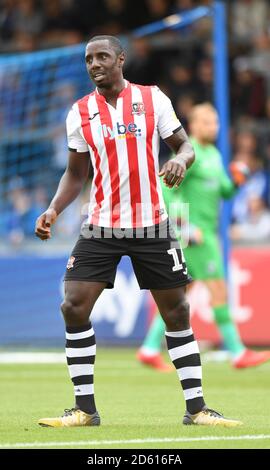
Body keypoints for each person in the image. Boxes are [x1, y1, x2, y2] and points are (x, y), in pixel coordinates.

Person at [35, 36, 242, 428]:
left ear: (121, 60)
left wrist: (180, 160)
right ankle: (84, 409)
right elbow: (76, 173)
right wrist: (53, 208)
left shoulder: (153, 99)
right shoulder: (79, 112)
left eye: (102, 57)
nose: (94, 64)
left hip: (152, 223)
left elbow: (184, 146)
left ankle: (197, 410)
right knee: (73, 305)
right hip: (102, 224)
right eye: (88, 59)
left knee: (178, 310)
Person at [137, 103, 270, 371]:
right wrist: (185, 226)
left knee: (180, 294)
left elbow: (226, 192)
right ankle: (237, 352)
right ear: (194, 125)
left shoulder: (214, 155)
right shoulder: (189, 154)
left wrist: (236, 181)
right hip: (196, 236)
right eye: (208, 122)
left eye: (216, 122)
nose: (214, 127)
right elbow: (167, 189)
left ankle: (149, 348)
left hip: (204, 234)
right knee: (218, 290)